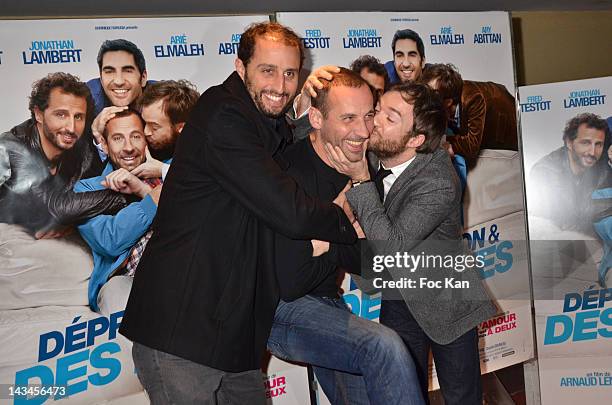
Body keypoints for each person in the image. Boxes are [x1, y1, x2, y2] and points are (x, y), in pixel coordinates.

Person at [119, 22, 357, 404]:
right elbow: (289, 210)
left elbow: (284, 153)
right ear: (240, 67)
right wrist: (349, 216)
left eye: (290, 73)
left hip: (233, 339)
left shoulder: (264, 123)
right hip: (182, 336)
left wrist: (315, 114)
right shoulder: (223, 114)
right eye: (268, 70)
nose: (280, 85)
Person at [326, 82, 496, 404]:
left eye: (390, 118)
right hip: (399, 296)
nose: (374, 122)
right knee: (403, 394)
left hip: (448, 302)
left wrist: (361, 181)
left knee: (462, 398)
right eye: (378, 111)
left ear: (416, 140)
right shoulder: (378, 150)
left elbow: (391, 246)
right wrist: (309, 103)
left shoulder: (439, 180)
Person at [268, 68, 424, 405]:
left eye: (369, 116)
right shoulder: (286, 174)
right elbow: (291, 281)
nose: (363, 131)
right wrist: (342, 224)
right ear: (317, 119)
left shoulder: (364, 173)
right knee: (384, 346)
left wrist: (326, 240)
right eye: (348, 117)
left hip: (327, 304)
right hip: (278, 311)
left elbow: (375, 269)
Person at [0, 72, 126, 238]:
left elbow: (74, 203)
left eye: (78, 117)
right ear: (38, 114)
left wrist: (70, 222)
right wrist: (129, 193)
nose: (71, 127)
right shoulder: (12, 148)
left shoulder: (79, 145)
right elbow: (56, 209)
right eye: (61, 114)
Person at [75, 110, 161, 315]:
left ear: (146, 140)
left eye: (136, 136)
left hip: (181, 270)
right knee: (119, 302)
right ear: (104, 145)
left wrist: (143, 188)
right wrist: (152, 200)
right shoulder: (86, 189)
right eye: (117, 138)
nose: (129, 147)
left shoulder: (170, 172)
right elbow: (109, 240)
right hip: (125, 280)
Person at [421, 63, 518, 165]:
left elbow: (471, 145)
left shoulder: (474, 98)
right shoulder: (445, 105)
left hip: (510, 136)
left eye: (432, 94)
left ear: (448, 102)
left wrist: (443, 143)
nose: (426, 99)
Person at [530, 112, 609, 233]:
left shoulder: (602, 168)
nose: (592, 152)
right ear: (569, 143)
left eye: (598, 144)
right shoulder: (545, 173)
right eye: (585, 143)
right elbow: (556, 225)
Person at [131, 79, 200, 181]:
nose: (146, 132)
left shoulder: (205, 151)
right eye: (144, 122)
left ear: (181, 128)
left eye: (154, 127)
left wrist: (163, 170)